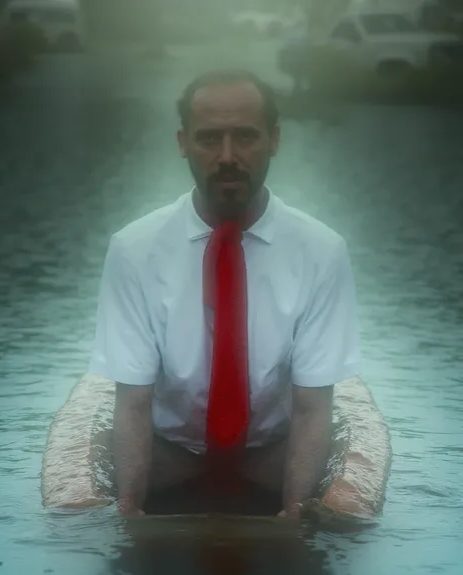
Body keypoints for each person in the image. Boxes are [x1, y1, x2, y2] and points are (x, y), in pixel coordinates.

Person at [89, 69, 361, 520]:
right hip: (170, 455)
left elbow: (314, 406)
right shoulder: (134, 250)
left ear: (274, 139)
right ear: (183, 143)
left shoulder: (321, 251)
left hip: (272, 456)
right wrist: (129, 514)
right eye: (210, 138)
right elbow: (132, 399)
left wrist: (293, 516)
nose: (228, 156)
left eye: (245, 137)